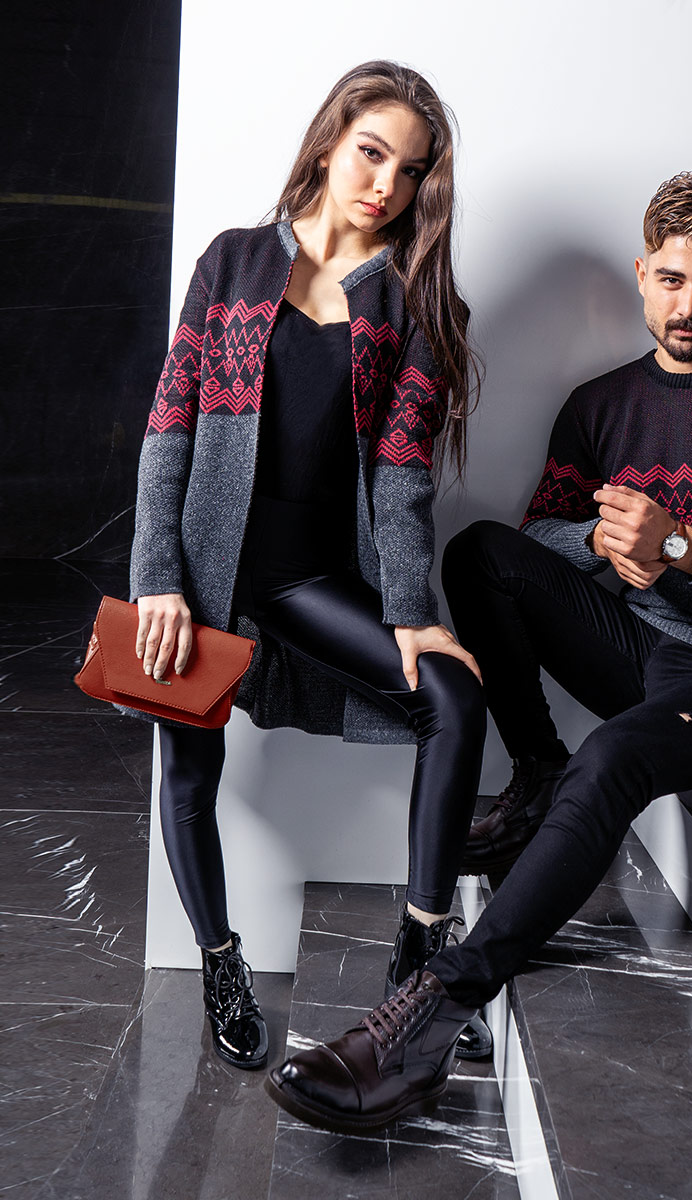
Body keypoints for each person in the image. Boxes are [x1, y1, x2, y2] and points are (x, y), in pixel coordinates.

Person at [265, 169, 692, 1131]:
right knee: (481, 554)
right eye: (673, 279)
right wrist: (601, 542)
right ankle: (537, 771)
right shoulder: (602, 404)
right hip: (640, 643)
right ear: (642, 273)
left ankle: (433, 1015)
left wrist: (680, 544)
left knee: (613, 757)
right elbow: (539, 534)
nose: (690, 306)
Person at [129, 60, 493, 1071]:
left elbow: (403, 471)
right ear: (330, 141)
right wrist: (159, 577)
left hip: (302, 577)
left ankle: (421, 967)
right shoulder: (234, 261)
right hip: (203, 574)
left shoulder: (412, 306)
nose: (386, 184)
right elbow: (169, 427)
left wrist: (413, 608)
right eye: (372, 152)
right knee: (188, 766)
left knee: (453, 699)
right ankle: (220, 960)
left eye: (410, 171)